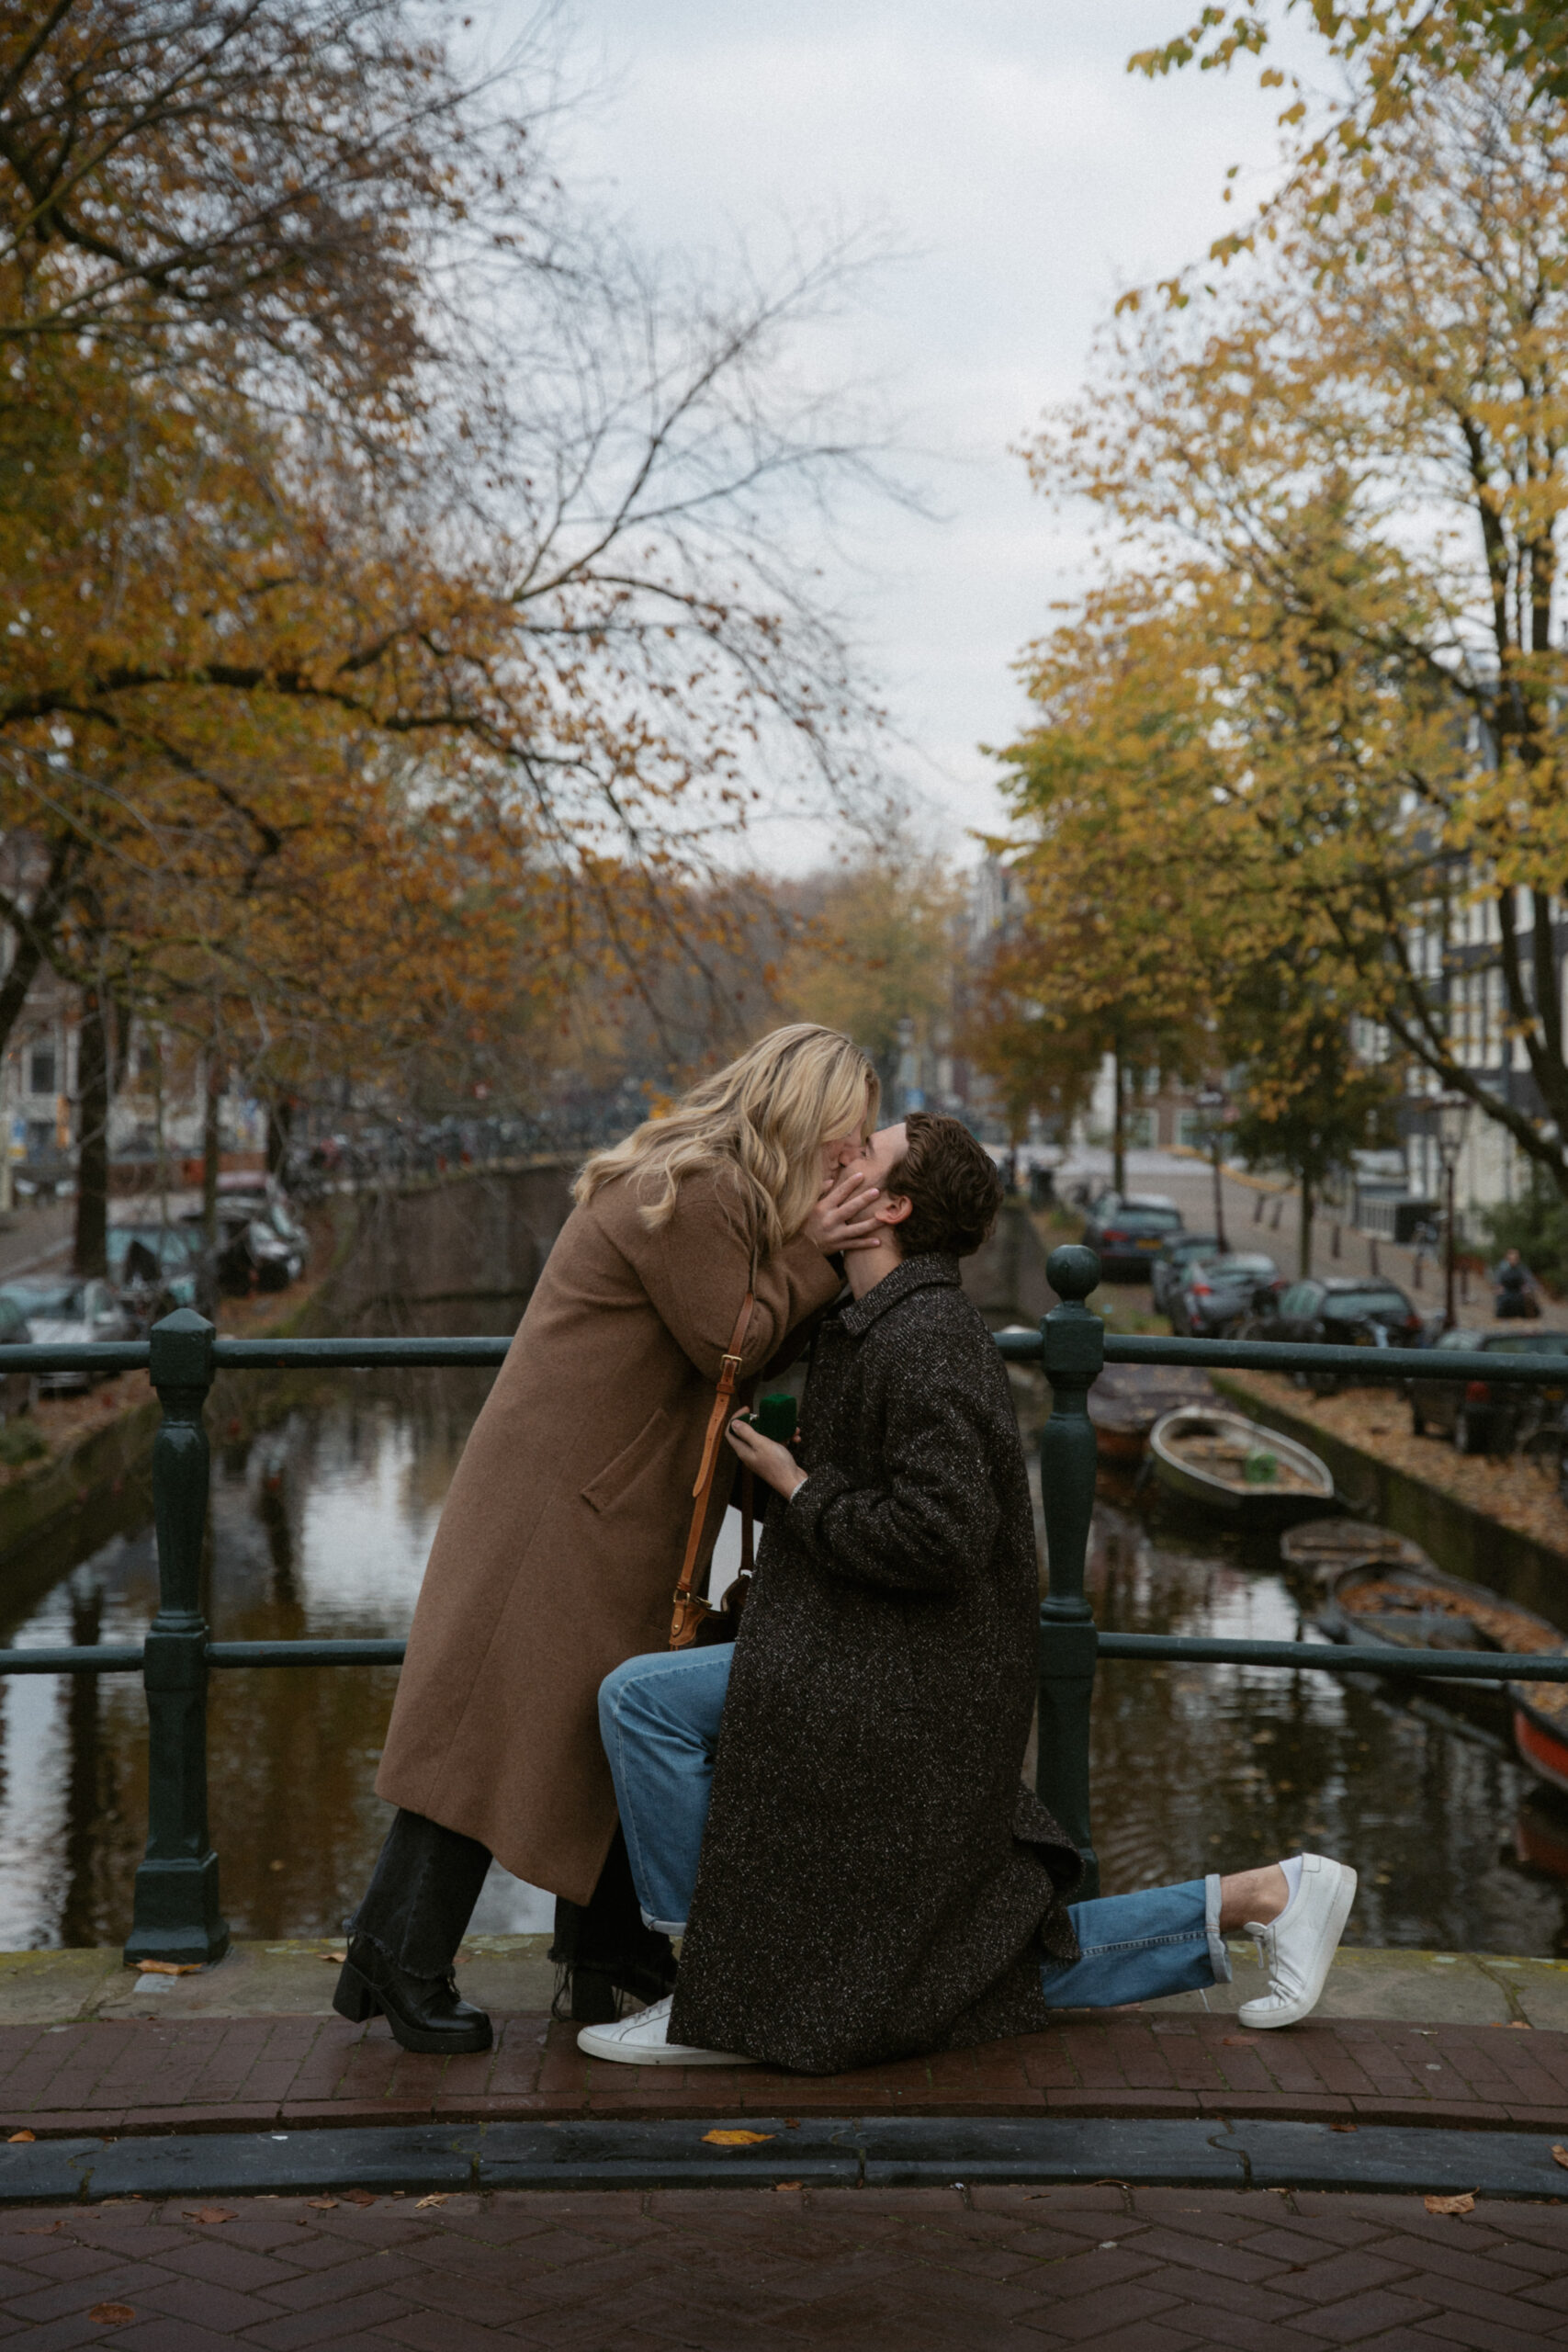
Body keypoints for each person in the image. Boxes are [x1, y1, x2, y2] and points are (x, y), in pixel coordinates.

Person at [581, 1113, 1358, 2073]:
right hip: (882, 1647)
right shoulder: (878, 1318)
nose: (840, 1155)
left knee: (644, 1705)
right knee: (956, 1972)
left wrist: (797, 1487)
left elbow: (942, 1536)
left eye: (863, 1153)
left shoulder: (927, 1338)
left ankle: (720, 1986)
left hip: (911, 1674)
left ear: (891, 1207)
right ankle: (1270, 1894)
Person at [334, 1024, 883, 2053]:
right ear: (800, 1112)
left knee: (604, 1716)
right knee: (494, 1726)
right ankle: (395, 1957)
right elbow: (737, 1339)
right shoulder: (695, 1187)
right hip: (558, 1508)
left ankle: (606, 1952)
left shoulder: (716, 1186)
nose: (851, 1158)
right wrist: (823, 1246)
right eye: (844, 1136)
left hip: (601, 1502)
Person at [1494, 1248, 1541, 1319]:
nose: (1513, 1261)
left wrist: (1527, 1287)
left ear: (1518, 1259)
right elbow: (1497, 1282)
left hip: (1519, 1293)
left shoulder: (1523, 1269)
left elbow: (1532, 1282)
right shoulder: (1502, 1269)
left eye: (1515, 1259)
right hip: (1507, 1292)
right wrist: (1498, 1287)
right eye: (1510, 1259)